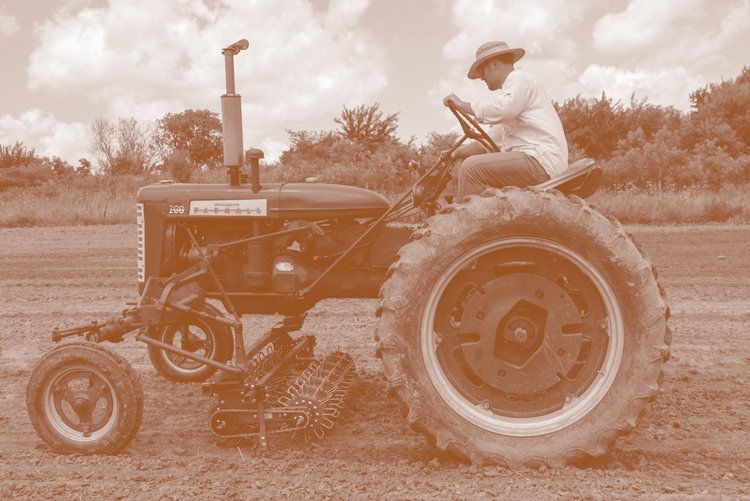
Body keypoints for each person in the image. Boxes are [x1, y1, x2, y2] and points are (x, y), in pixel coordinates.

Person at [443, 40, 568, 198]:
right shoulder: (514, 98)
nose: (481, 78)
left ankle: (463, 221)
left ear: (493, 64)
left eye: (481, 71)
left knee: (471, 168)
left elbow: (504, 108)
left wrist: (463, 105)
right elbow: (492, 139)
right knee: (470, 162)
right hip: (538, 160)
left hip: (540, 160)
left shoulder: (520, 79)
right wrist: (454, 153)